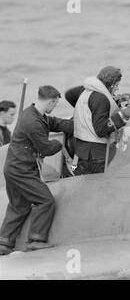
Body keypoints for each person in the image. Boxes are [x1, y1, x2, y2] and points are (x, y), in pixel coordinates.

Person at [0, 86, 73, 255]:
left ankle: (4, 243)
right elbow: (46, 148)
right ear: (51, 101)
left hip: (13, 167)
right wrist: (60, 144)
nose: (54, 107)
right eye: (54, 104)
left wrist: (75, 125)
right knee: (45, 200)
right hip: (22, 169)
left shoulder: (32, 113)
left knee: (19, 206)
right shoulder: (33, 122)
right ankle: (36, 240)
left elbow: (54, 122)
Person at [71, 66, 130, 175]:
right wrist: (123, 115)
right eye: (117, 85)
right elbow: (100, 129)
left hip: (83, 151)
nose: (117, 89)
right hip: (96, 155)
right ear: (111, 84)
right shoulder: (101, 99)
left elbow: (73, 97)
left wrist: (117, 99)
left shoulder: (87, 91)